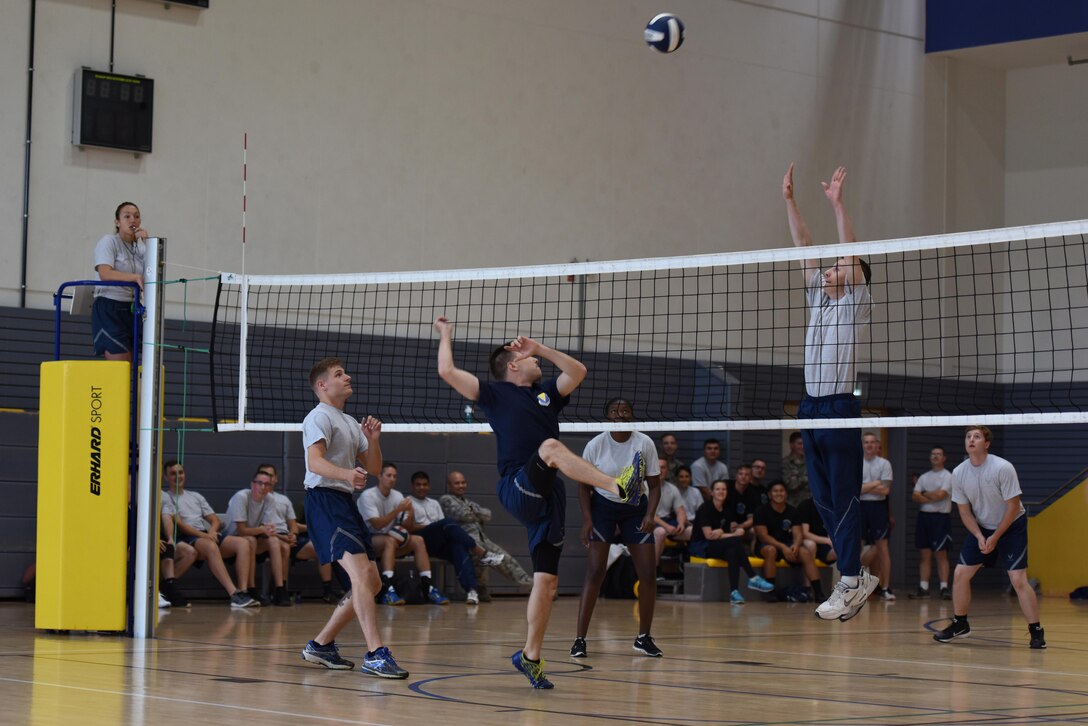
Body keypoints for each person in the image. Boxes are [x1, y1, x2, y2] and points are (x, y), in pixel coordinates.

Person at [434, 316, 643, 689]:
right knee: (549, 448)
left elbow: (577, 370)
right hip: (518, 483)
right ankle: (617, 486)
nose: (538, 362)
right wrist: (447, 334)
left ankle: (530, 657)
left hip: (550, 498)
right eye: (529, 358)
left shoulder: (546, 394)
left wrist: (539, 348)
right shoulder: (495, 393)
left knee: (546, 584)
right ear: (512, 364)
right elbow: (447, 370)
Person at [783, 163, 879, 620]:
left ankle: (852, 576)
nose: (829, 268)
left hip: (839, 405)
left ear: (855, 274)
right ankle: (853, 576)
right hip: (809, 408)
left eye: (838, 265)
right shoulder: (818, 297)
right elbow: (803, 245)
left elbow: (852, 250)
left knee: (843, 495)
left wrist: (838, 206)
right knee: (821, 499)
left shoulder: (858, 302)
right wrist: (790, 202)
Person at [297, 357, 409, 678]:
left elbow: (373, 468)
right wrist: (347, 473)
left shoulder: (346, 421)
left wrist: (373, 441)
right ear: (322, 385)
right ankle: (375, 653)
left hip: (345, 503)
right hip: (324, 502)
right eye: (338, 374)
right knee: (361, 577)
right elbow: (315, 463)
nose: (347, 377)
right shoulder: (318, 417)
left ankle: (321, 645)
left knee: (371, 583)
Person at [933, 426, 1045, 649]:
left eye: (977, 436)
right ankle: (960, 623)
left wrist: (995, 537)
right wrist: (978, 535)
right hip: (982, 527)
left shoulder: (1003, 467)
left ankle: (1036, 631)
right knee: (961, 574)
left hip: (1011, 526)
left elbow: (1013, 507)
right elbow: (964, 512)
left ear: (987, 443)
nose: (971, 440)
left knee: (1017, 580)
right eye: (968, 437)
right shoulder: (959, 473)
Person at [570, 397, 663, 659]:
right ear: (606, 416)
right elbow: (583, 487)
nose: (619, 414)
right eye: (614, 410)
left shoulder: (644, 443)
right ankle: (579, 639)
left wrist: (650, 513)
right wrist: (588, 519)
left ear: (632, 415)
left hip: (635, 508)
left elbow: (654, 486)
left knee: (647, 573)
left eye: (625, 411)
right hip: (603, 509)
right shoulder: (595, 445)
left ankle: (643, 637)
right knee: (595, 571)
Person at [159, 460, 257, 608]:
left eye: (180, 472)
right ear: (166, 477)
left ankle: (243, 591)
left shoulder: (195, 496)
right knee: (211, 546)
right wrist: (205, 536)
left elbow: (214, 520)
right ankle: (234, 594)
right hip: (186, 537)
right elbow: (180, 525)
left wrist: (211, 531)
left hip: (205, 534)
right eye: (173, 473)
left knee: (243, 543)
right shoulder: (167, 498)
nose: (178, 476)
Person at [406, 470, 504, 604]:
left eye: (425, 484)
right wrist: (432, 526)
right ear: (412, 486)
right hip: (419, 542)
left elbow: (444, 529)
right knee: (447, 523)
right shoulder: (407, 502)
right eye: (418, 485)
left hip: (437, 544)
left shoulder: (434, 503)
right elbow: (408, 527)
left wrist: (438, 526)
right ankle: (483, 553)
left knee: (458, 546)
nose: (422, 487)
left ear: (429, 486)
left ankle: (472, 591)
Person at [358, 463, 449, 605]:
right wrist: (397, 510)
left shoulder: (398, 495)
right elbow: (377, 524)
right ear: (379, 476)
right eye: (389, 475)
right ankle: (388, 588)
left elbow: (406, 525)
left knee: (418, 540)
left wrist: (410, 513)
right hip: (369, 540)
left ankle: (428, 587)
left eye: (395, 476)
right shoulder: (368, 496)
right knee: (390, 541)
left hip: (391, 538)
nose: (392, 479)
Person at [440, 471, 534, 597]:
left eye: (463, 482)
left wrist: (474, 512)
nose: (461, 485)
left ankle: (532, 586)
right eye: (457, 483)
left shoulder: (468, 502)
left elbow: (488, 514)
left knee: (506, 559)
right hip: (465, 542)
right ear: (449, 486)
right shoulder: (446, 500)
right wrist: (476, 514)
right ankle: (479, 588)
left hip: (483, 540)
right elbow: (463, 515)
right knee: (484, 558)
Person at [692, 480, 775, 604]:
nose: (721, 492)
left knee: (732, 552)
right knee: (735, 541)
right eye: (718, 489)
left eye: (724, 489)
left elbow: (722, 536)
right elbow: (709, 535)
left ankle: (734, 592)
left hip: (717, 544)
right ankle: (752, 577)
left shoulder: (727, 509)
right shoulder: (705, 508)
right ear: (712, 493)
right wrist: (731, 534)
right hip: (702, 546)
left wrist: (723, 533)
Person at [224, 469, 291, 606]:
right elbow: (241, 530)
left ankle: (280, 589)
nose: (263, 487)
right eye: (259, 483)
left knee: (275, 541)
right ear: (252, 484)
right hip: (230, 539)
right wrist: (262, 530)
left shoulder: (270, 499)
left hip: (252, 537)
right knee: (249, 540)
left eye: (267, 484)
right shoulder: (241, 497)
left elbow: (268, 530)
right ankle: (249, 588)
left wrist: (285, 538)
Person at [92, 202, 148, 361]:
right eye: (127, 216)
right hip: (110, 307)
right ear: (117, 222)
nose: (133, 220)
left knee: (137, 363)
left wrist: (149, 243)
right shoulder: (109, 241)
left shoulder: (140, 248)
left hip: (132, 308)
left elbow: (153, 274)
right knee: (120, 364)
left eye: (137, 216)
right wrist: (134, 278)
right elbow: (105, 273)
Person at [754, 481, 824, 601]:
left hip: (787, 544)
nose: (779, 493)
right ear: (770, 495)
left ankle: (818, 592)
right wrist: (783, 547)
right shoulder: (761, 511)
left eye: (781, 491)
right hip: (767, 545)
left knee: (805, 552)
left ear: (786, 494)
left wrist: (796, 545)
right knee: (771, 551)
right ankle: (770, 592)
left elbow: (798, 533)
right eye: (775, 491)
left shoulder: (792, 511)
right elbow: (763, 536)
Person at [910, 446, 953, 600]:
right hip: (924, 517)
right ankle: (924, 587)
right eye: (933, 453)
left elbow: (941, 495)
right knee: (924, 554)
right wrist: (928, 496)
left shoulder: (948, 476)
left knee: (941, 554)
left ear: (944, 458)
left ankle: (944, 587)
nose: (935, 456)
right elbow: (915, 497)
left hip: (940, 518)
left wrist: (924, 494)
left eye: (938, 454)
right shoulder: (924, 477)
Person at [859, 432, 894, 601]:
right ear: (863, 445)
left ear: (876, 445)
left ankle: (885, 588)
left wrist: (864, 487)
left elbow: (886, 490)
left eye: (872, 442)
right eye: (866, 442)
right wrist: (876, 483)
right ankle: (856, 587)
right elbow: (854, 490)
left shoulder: (884, 464)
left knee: (883, 548)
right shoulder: (856, 463)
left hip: (878, 508)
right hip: (860, 507)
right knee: (856, 547)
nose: (869, 445)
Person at [652, 456, 691, 566]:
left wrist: (681, 524)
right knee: (660, 533)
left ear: (667, 470)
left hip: (668, 523)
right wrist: (666, 526)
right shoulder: (644, 487)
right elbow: (648, 514)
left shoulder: (672, 488)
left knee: (693, 532)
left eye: (663, 467)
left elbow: (680, 511)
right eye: (657, 467)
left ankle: (687, 566)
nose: (660, 470)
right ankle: (654, 571)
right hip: (650, 524)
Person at [781, 432, 810, 507]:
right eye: (800, 444)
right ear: (791, 445)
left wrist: (799, 479)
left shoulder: (810, 462)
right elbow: (792, 485)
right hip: (793, 505)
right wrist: (805, 478)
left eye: (804, 443)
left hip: (809, 504)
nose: (803, 446)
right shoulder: (785, 463)